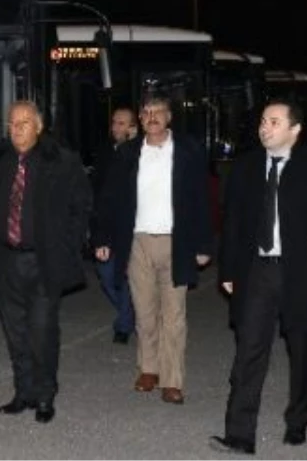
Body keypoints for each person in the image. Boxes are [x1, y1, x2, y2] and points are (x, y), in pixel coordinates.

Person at [210, 98, 307, 454]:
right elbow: (232, 223)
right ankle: (240, 433)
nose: (264, 127)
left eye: (274, 122)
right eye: (263, 121)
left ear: (294, 129)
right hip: (256, 270)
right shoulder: (245, 167)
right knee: (249, 350)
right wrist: (228, 269)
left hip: (300, 272)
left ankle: (298, 421)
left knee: (303, 349)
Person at [0, 100, 92, 424]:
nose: (17, 129)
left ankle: (44, 395)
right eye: (12, 124)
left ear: (39, 127)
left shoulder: (62, 162)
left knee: (42, 332)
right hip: (6, 260)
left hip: (43, 263)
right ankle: (22, 393)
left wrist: (67, 246)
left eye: (24, 123)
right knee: (16, 334)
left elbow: (80, 208)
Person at [93, 96, 214, 405]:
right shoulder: (129, 154)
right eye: (146, 113)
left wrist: (203, 244)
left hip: (178, 242)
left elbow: (202, 199)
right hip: (138, 242)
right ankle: (149, 368)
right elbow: (109, 198)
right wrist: (103, 238)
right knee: (144, 311)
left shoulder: (188, 150)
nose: (152, 117)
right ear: (141, 120)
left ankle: (172, 380)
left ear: (169, 117)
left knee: (173, 314)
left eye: (158, 112)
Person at [91, 106, 138, 344]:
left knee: (130, 277)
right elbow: (98, 192)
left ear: (133, 127)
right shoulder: (104, 153)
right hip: (107, 225)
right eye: (114, 123)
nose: (116, 128)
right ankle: (132, 315)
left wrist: (131, 146)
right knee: (107, 275)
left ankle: (124, 324)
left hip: (133, 228)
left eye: (122, 123)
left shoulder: (141, 153)